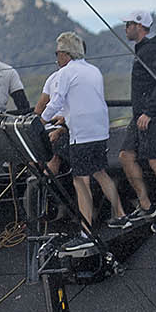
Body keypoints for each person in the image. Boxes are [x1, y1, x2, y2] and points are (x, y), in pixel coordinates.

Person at [42, 32, 124, 247]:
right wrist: (65, 117)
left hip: (82, 135)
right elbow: (85, 101)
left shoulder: (65, 73)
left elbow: (56, 101)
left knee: (80, 181)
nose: (56, 58)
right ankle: (121, 215)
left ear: (65, 53)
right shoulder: (93, 70)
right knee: (100, 172)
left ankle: (86, 233)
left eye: (57, 53)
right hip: (99, 131)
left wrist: (40, 121)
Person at [112, 10, 156, 229]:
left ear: (139, 26)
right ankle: (147, 205)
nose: (125, 28)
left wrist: (149, 112)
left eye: (128, 24)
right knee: (125, 156)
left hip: (153, 116)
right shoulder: (145, 50)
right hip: (141, 116)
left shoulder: (152, 51)